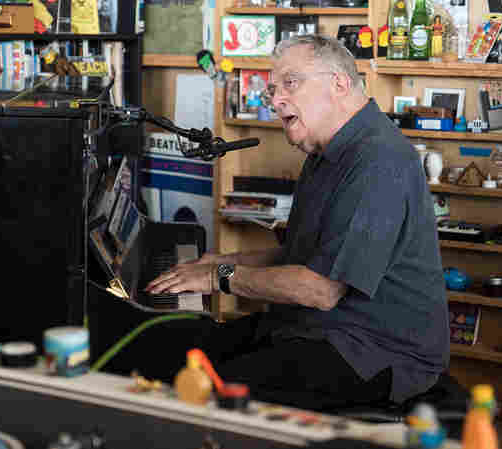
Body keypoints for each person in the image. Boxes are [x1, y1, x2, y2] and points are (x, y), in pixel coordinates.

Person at [142, 34, 449, 411]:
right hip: (317, 329)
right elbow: (301, 256)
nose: (275, 100)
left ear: (339, 83)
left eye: (290, 83)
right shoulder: (324, 152)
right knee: (173, 348)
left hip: (373, 351)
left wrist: (220, 277)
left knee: (212, 392)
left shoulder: (378, 162)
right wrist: (222, 262)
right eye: (272, 90)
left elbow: (320, 289)